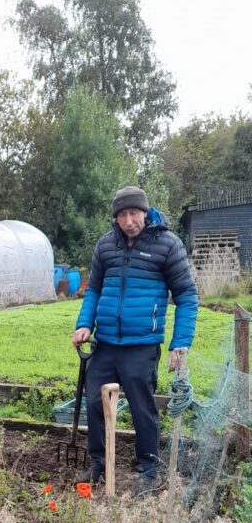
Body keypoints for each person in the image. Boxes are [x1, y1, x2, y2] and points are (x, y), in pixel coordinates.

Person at [72, 185, 198, 496]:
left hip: (142, 344)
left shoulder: (167, 244)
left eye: (134, 213)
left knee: (143, 407)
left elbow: (186, 296)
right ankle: (99, 462)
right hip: (106, 344)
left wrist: (180, 343)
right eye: (123, 215)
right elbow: (94, 290)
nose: (129, 221)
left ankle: (149, 466)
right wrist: (85, 323)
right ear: (116, 218)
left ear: (145, 212)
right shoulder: (106, 245)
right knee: (94, 402)